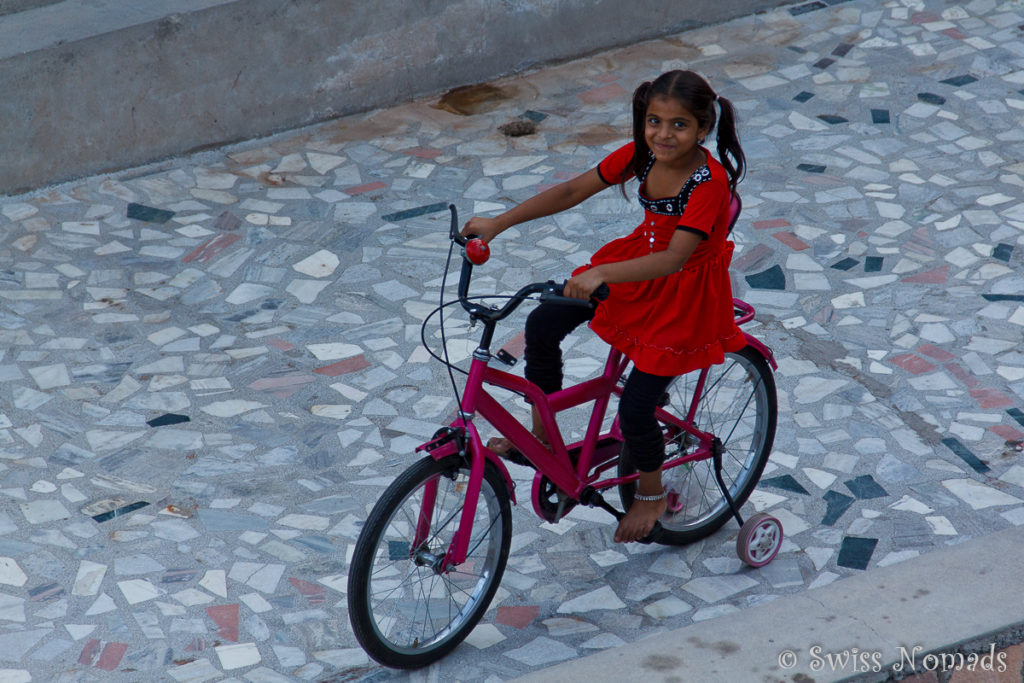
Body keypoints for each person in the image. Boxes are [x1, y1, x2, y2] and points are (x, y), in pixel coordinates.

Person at [462, 70, 748, 543]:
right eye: (653, 121)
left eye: (679, 125)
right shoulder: (642, 154)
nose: (662, 134)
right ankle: (543, 436)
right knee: (543, 323)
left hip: (682, 292)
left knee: (636, 409)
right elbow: (573, 190)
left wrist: (600, 274)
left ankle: (651, 493)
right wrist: (499, 222)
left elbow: (677, 257)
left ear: (703, 130)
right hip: (638, 265)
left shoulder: (708, 182)